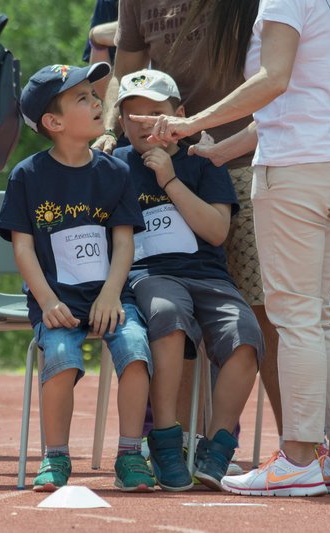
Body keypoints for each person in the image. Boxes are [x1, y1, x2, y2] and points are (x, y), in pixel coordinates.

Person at [132, 0, 330, 497]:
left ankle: (297, 459)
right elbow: (297, 98)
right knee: (318, 316)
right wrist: (222, 150)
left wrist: (187, 122)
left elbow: (273, 80)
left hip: (298, 169)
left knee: (295, 317)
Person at [93, 0, 284, 451]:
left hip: (239, 159)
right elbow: (124, 69)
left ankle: (299, 447)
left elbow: (283, 69)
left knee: (265, 315)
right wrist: (107, 131)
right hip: (165, 156)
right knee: (172, 310)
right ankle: (179, 442)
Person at [0, 62, 155, 493]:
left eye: (93, 93)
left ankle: (129, 454)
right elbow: (23, 248)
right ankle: (55, 458)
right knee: (62, 357)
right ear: (54, 122)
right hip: (57, 300)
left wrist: (110, 295)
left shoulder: (115, 172)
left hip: (108, 298)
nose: (96, 101)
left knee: (136, 348)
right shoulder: (27, 176)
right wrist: (47, 302)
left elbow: (123, 244)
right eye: (82, 97)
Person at [113, 69, 263, 491]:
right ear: (121, 123)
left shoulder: (203, 161)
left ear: (179, 115)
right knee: (166, 313)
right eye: (133, 116)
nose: (144, 123)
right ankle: (165, 438)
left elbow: (216, 231)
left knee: (245, 333)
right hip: (150, 276)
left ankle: (216, 446)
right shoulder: (113, 166)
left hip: (208, 276)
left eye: (155, 113)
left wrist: (170, 180)